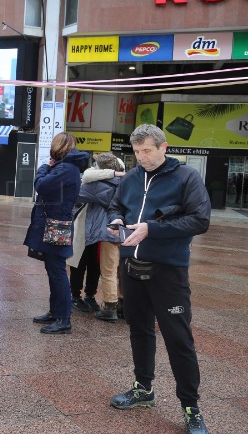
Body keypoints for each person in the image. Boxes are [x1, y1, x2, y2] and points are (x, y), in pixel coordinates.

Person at [107, 124, 211, 434]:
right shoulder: (130, 177)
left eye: (147, 151)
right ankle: (143, 389)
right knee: (139, 330)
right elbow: (117, 205)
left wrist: (152, 228)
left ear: (164, 147)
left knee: (179, 339)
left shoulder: (186, 177)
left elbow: (200, 219)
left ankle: (191, 406)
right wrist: (116, 220)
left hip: (168, 270)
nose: (141, 157)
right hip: (132, 266)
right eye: (137, 152)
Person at [24, 132, 88, 335]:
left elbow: (41, 185)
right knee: (53, 270)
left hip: (55, 224)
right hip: (54, 222)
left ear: (58, 146)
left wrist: (44, 167)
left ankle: (64, 318)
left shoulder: (65, 168)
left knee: (58, 271)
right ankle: (55, 311)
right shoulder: (67, 167)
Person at [76, 152, 124, 322]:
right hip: (127, 232)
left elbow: (76, 193)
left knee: (108, 271)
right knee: (122, 271)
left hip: (108, 233)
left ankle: (110, 307)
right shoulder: (124, 183)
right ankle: (122, 305)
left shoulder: (97, 186)